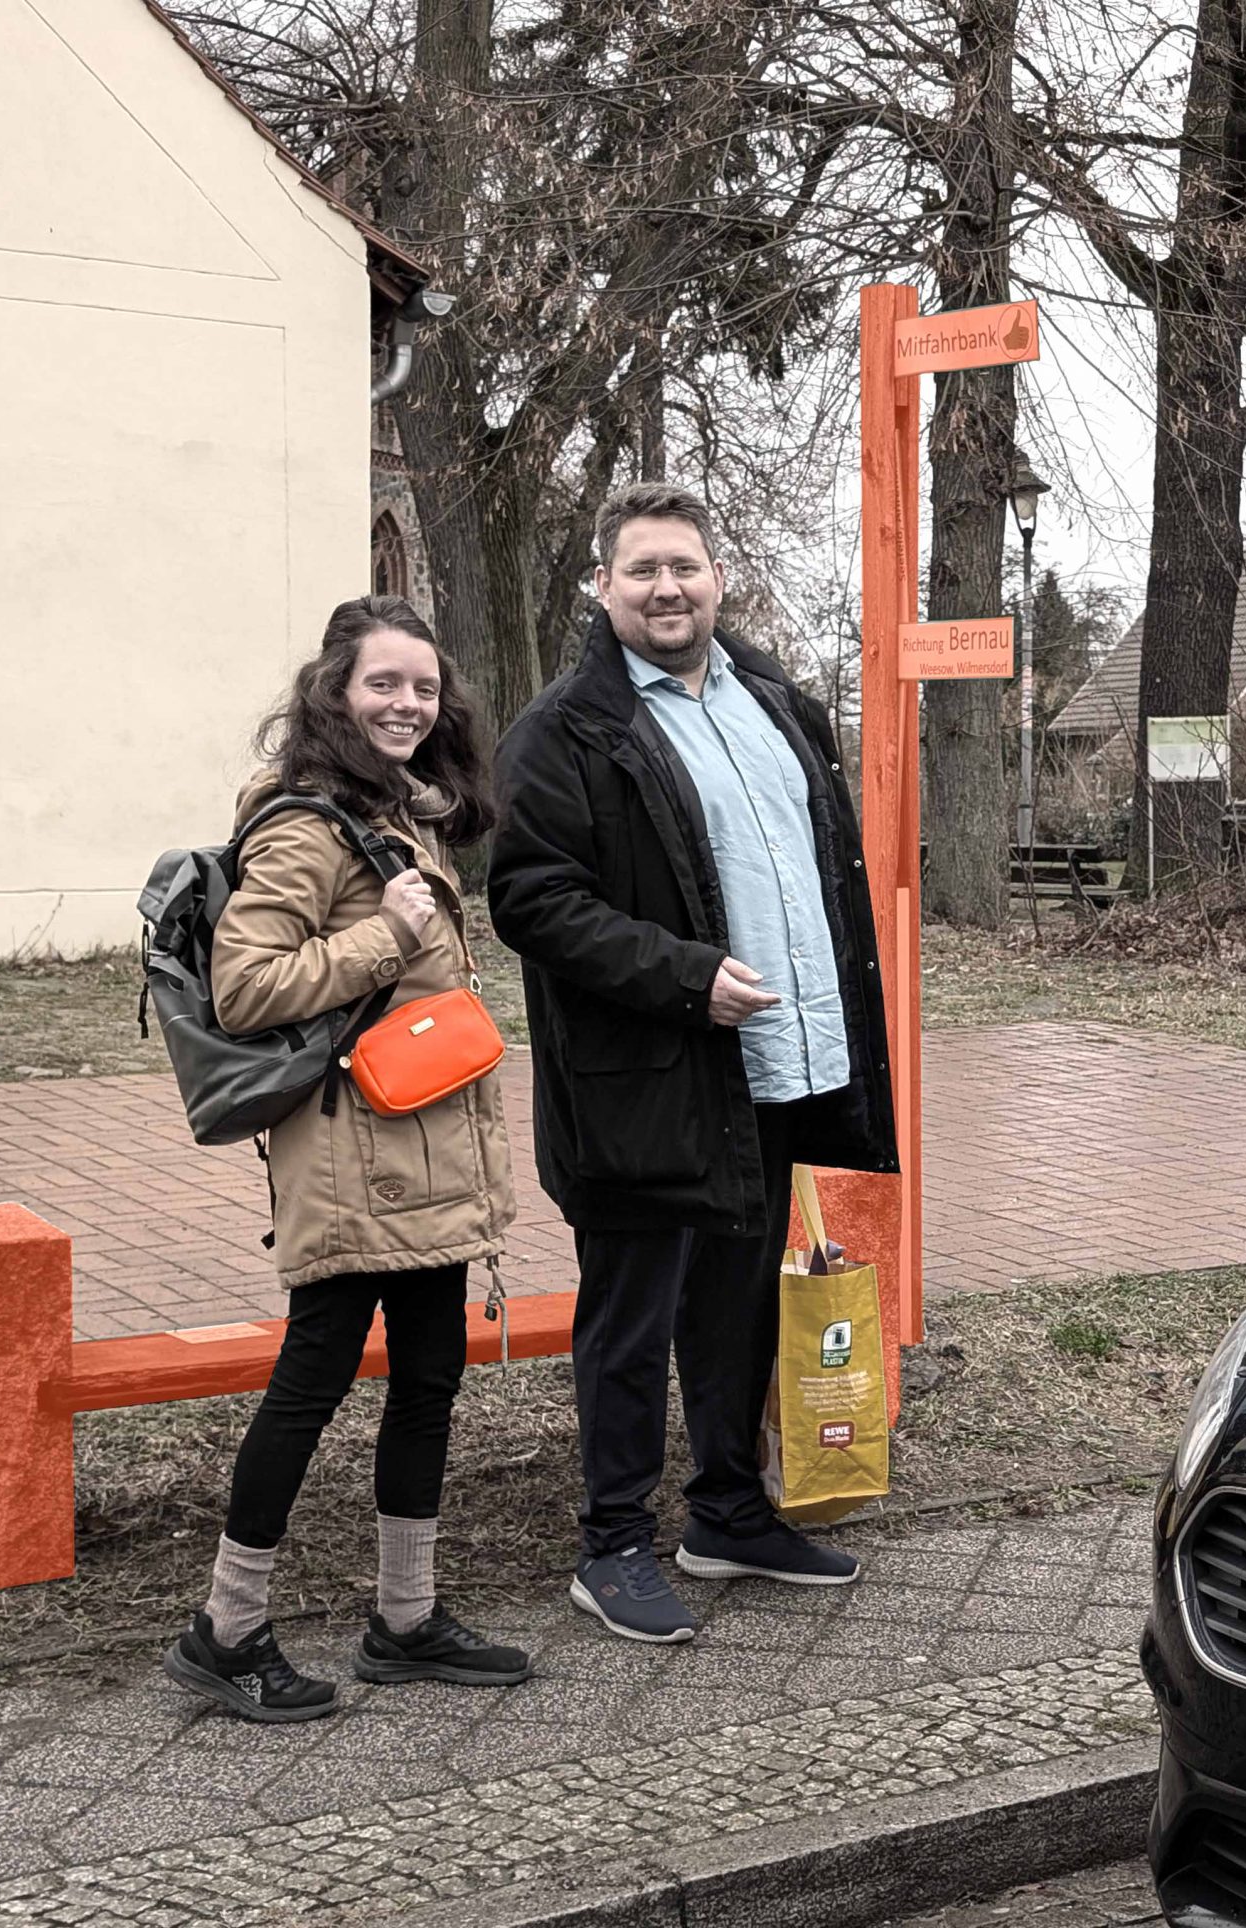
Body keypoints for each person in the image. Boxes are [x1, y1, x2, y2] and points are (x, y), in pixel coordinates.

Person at [489, 481, 898, 1643]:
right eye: (641, 569)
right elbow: (530, 898)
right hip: (645, 1085)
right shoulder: (566, 728)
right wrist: (683, 975)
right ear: (602, 586)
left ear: (718, 578)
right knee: (630, 1323)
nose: (666, 588)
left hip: (777, 1065)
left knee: (737, 1304)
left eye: (684, 566)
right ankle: (611, 1541)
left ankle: (726, 1511)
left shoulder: (776, 703)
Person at [164, 595, 530, 1722]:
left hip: (425, 1145)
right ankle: (227, 1629)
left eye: (424, 687)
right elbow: (247, 987)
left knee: (428, 1381)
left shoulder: (402, 815)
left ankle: (405, 1619)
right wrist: (387, 934)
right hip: (348, 1155)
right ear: (335, 692)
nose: (407, 704)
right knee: (310, 1386)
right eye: (384, 684)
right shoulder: (303, 826)